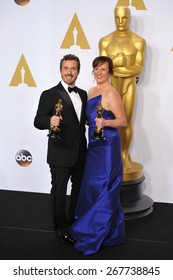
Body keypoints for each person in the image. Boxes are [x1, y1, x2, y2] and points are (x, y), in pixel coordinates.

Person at [70, 56, 127, 255]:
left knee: (106, 185)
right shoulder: (91, 92)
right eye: (96, 69)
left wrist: (106, 124)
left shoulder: (111, 93)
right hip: (94, 145)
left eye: (103, 69)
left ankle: (102, 231)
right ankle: (93, 225)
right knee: (92, 185)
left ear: (110, 72)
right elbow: (90, 119)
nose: (99, 72)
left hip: (109, 146)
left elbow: (122, 121)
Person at [34, 54, 87, 244]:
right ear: (61, 70)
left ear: (78, 71)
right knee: (59, 192)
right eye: (66, 68)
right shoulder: (49, 94)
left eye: (73, 68)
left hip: (81, 151)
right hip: (60, 152)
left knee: (78, 190)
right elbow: (37, 121)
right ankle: (60, 227)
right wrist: (50, 121)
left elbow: (79, 122)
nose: (69, 72)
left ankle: (72, 221)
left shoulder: (83, 94)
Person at [99, 6, 146, 179]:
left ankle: (124, 155)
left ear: (129, 18)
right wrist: (122, 64)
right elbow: (102, 68)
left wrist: (115, 66)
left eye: (124, 18)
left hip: (128, 86)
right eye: (117, 18)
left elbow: (138, 68)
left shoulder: (138, 41)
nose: (120, 22)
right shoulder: (105, 41)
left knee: (126, 121)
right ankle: (112, 155)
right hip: (110, 87)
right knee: (109, 120)